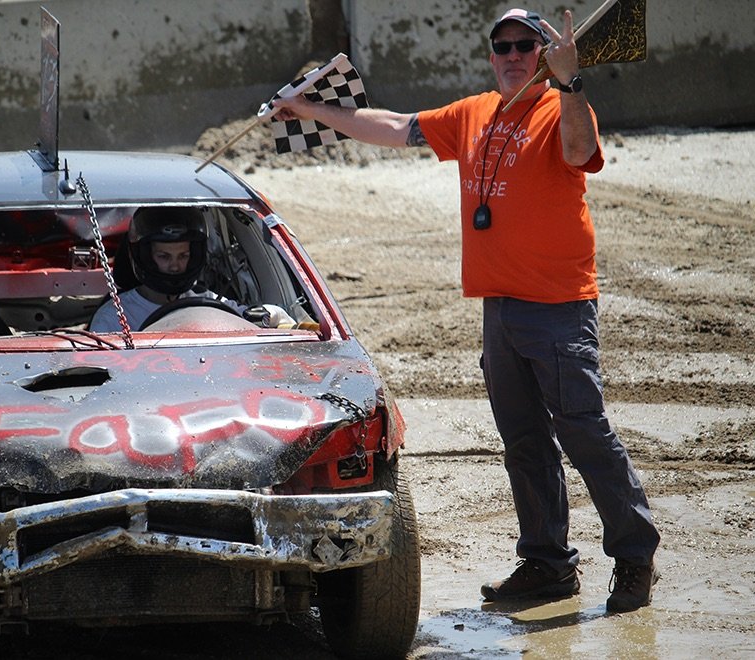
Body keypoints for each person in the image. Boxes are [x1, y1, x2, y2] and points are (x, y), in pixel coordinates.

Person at [273, 7, 660, 612]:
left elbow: (582, 151)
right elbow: (397, 126)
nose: (512, 55)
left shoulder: (561, 105)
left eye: (524, 46)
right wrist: (313, 111)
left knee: (585, 435)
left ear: (542, 53)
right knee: (525, 442)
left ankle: (635, 559)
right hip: (500, 309)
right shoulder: (475, 112)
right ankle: (547, 565)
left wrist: (571, 80)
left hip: (558, 307)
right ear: (491, 54)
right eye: (502, 45)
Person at [90, 206, 293, 332]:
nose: (175, 265)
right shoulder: (114, 317)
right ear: (144, 256)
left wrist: (269, 314)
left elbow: (258, 317)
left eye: (184, 255)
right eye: (163, 256)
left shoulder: (209, 301)